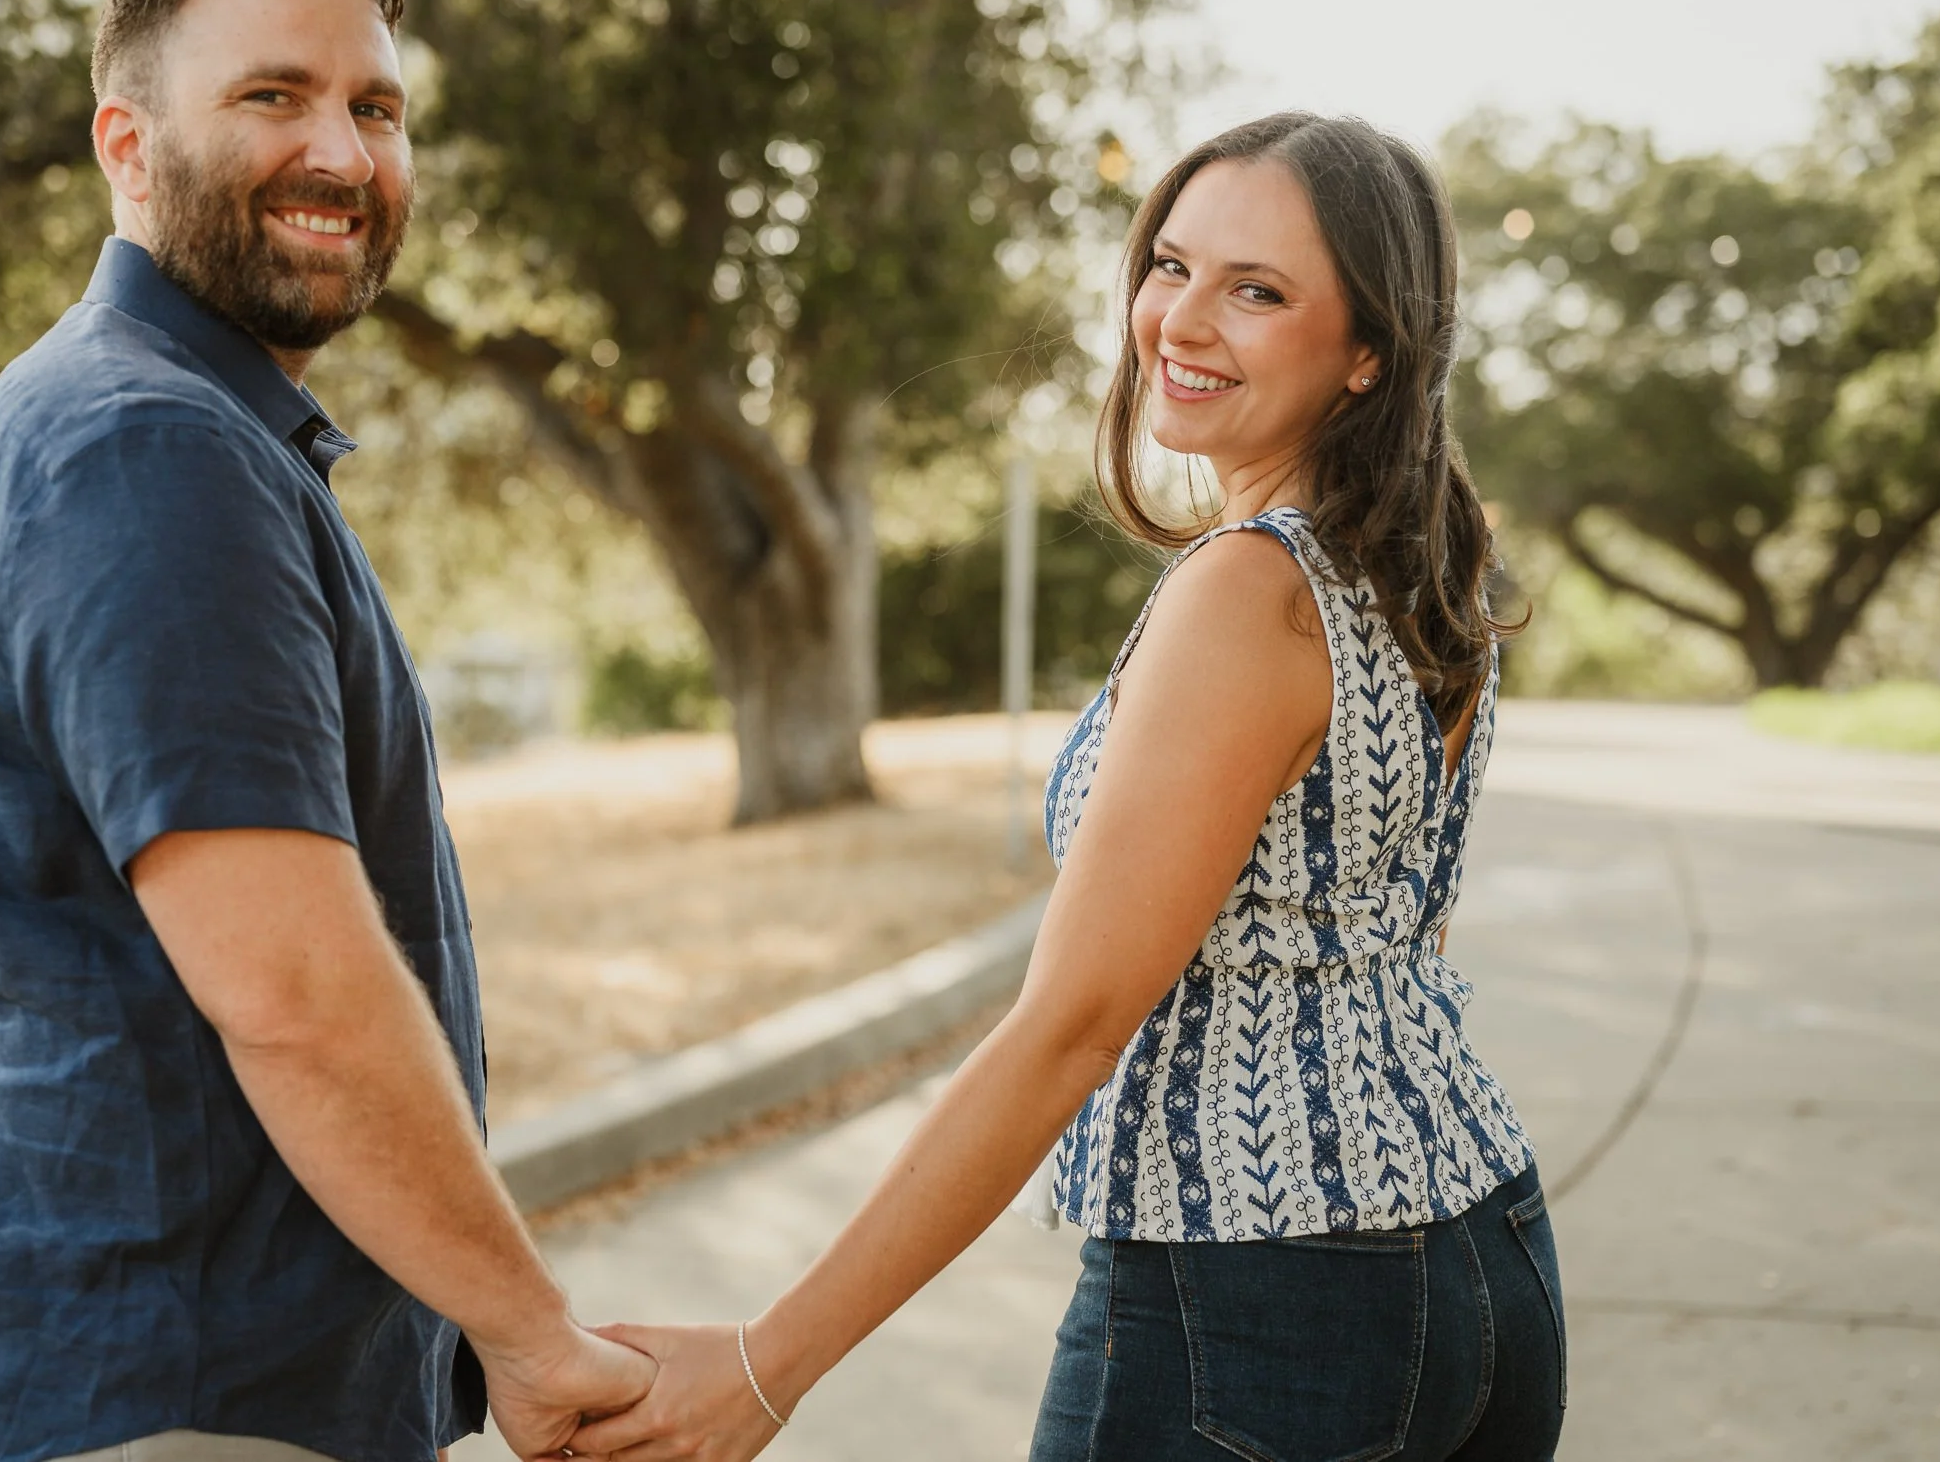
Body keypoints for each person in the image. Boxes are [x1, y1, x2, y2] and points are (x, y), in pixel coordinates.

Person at [570, 113, 1564, 1462]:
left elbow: (1072, 1027)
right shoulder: (1422, 564)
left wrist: (768, 1363)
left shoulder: (1251, 592)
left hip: (1259, 1299)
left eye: (1258, 291)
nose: (1180, 320)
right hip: (1484, 1251)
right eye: (1172, 264)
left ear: (1368, 351)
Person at [0, 0, 651, 1462]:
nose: (342, 156)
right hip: (168, 1403)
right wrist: (528, 1335)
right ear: (127, 143)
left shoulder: (162, 425)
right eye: (272, 96)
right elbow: (294, 993)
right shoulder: (149, 448)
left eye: (377, 108)